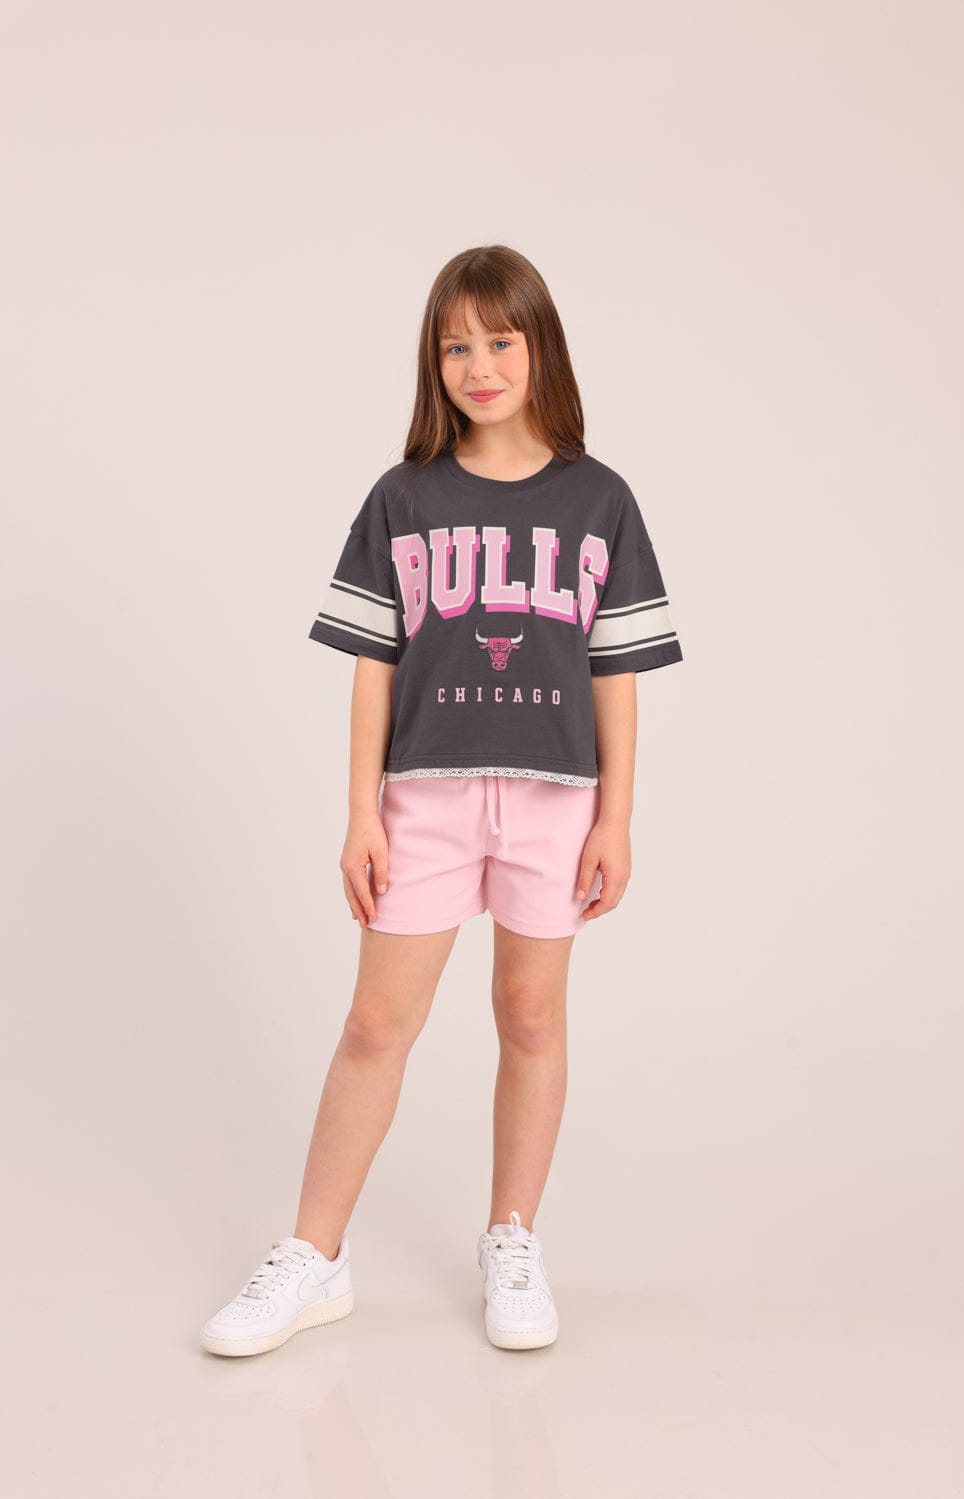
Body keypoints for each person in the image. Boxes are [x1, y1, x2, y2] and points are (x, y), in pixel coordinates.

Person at [199, 244, 684, 1358]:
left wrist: (616, 816)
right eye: (455, 346)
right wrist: (361, 809)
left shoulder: (600, 500)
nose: (479, 366)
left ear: (539, 346)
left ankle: (513, 1236)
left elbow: (614, 671)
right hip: (424, 794)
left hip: (555, 799)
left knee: (530, 1015)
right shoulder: (405, 496)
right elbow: (373, 663)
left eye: (499, 341)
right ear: (434, 362)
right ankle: (313, 1255)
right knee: (377, 1023)